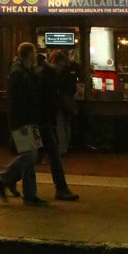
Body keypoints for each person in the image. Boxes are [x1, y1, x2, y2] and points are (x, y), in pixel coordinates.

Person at [0, 42, 46, 206]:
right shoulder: (18, 73)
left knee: (33, 155)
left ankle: (29, 193)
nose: (36, 54)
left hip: (32, 120)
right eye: (34, 52)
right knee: (28, 154)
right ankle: (4, 177)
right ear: (29, 53)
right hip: (24, 121)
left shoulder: (26, 71)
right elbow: (18, 102)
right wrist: (20, 123)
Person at [37, 50, 79, 201]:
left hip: (44, 119)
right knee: (49, 154)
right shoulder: (45, 76)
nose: (61, 69)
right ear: (54, 61)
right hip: (44, 120)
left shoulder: (45, 73)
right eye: (60, 65)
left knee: (31, 155)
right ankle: (61, 188)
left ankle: (8, 178)